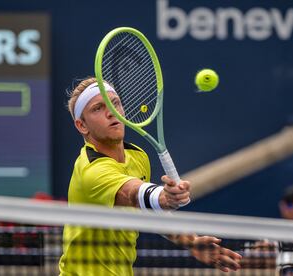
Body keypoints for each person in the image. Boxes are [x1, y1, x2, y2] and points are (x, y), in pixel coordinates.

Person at [58, 77, 242, 275]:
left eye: (115, 103)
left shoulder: (138, 156)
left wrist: (192, 242)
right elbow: (132, 194)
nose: (111, 112)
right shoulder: (91, 170)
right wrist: (163, 196)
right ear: (82, 126)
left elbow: (148, 210)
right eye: (98, 108)